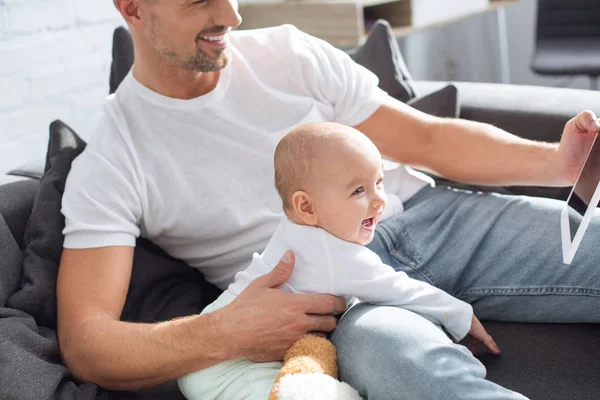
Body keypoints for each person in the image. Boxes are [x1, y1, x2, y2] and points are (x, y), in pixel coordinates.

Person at [56, 0, 600, 398]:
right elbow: (86, 343)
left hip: (432, 220)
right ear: (132, 7)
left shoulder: (286, 53)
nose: (232, 15)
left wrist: (555, 162)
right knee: (400, 363)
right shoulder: (113, 159)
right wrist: (222, 331)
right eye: (202, 0)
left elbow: (430, 139)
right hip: (332, 295)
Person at [177, 122, 501, 399]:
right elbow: (401, 290)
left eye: (379, 182)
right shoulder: (336, 255)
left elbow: (368, 209)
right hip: (228, 368)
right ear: (306, 206)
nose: (378, 201)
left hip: (204, 352)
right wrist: (461, 316)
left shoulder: (298, 228)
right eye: (359, 191)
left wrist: (375, 201)